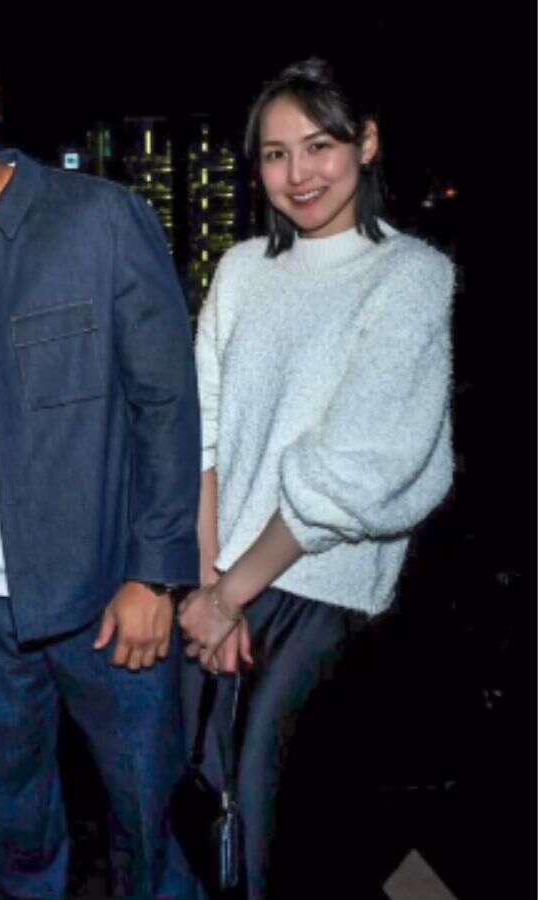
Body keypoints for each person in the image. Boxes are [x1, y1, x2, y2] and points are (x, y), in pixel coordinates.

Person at [0, 19, 200, 899]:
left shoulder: (97, 220)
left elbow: (168, 406)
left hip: (106, 594)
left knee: (146, 829)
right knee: (14, 835)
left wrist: (155, 576)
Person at [179, 58, 454, 899]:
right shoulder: (240, 271)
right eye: (274, 154)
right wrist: (207, 587)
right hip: (226, 583)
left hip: (323, 593)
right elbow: (206, 438)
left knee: (282, 834)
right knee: (209, 808)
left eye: (320, 145)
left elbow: (355, 475)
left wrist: (231, 598)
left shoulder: (409, 276)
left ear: (366, 144)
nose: (298, 175)